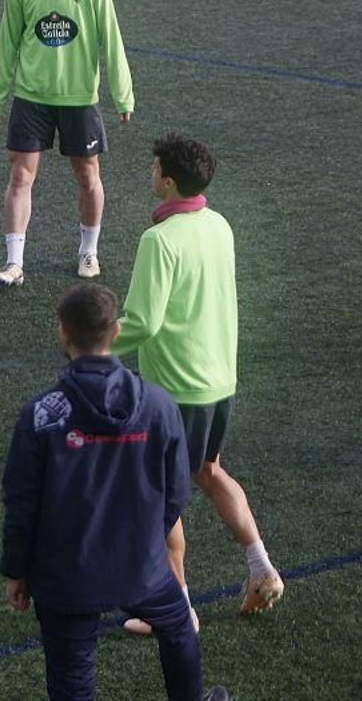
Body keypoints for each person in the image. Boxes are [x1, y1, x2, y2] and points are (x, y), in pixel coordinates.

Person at [1, 284, 229, 701]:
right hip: (140, 566)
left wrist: (17, 570)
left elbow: (21, 502)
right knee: (177, 625)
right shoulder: (158, 405)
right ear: (115, 333)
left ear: (65, 333)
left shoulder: (41, 414)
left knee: (73, 672)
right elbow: (177, 489)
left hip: (66, 573)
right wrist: (146, 537)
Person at [113, 133, 282, 631]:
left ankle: (175, 610)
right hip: (218, 380)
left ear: (168, 180)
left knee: (158, 497)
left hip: (175, 388)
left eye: (153, 168)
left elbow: (142, 321)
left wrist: (95, 348)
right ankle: (260, 566)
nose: (150, 174)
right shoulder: (218, 225)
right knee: (209, 471)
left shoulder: (160, 240)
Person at [0, 0, 133, 286]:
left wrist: (123, 96)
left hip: (79, 99)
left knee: (88, 177)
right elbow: (7, 45)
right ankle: (14, 263)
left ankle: (89, 252)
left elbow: (111, 41)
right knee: (20, 176)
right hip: (31, 98)